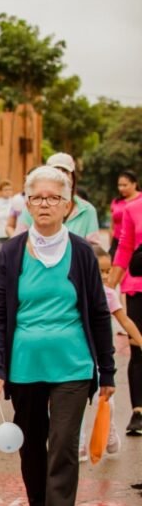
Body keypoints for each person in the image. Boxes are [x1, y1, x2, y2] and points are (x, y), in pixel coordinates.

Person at [0, 165, 115, 506]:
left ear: (67, 205)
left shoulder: (81, 253)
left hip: (73, 366)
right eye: (37, 197)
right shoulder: (11, 251)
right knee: (32, 449)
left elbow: (97, 312)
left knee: (61, 447)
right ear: (26, 204)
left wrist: (106, 371)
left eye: (53, 197)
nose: (44, 204)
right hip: (24, 366)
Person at [78, 245, 142, 461]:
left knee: (106, 401)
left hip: (98, 359)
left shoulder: (108, 294)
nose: (106, 276)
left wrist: (141, 340)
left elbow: (125, 320)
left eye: (108, 271)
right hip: (76, 358)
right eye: (101, 271)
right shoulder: (73, 292)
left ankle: (110, 429)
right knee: (72, 403)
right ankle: (79, 444)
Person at [107, 172, 142, 434]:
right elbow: (125, 246)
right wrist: (109, 287)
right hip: (137, 288)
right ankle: (138, 412)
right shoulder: (133, 208)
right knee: (137, 348)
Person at [15, 153, 100, 243]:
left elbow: (94, 246)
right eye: (55, 171)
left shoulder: (87, 210)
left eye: (65, 171)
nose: (61, 176)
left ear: (73, 177)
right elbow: (18, 242)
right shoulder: (34, 206)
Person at [110, 171, 139, 260]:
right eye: (119, 185)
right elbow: (112, 227)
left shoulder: (140, 200)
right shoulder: (116, 202)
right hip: (117, 242)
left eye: (125, 185)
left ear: (134, 184)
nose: (121, 188)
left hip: (135, 243)